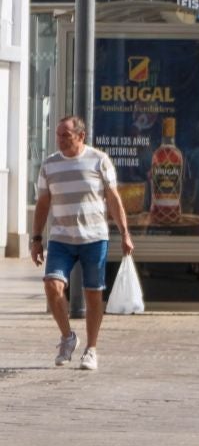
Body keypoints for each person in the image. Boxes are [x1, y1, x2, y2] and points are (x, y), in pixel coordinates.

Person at [29, 116, 133, 371]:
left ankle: (92, 349)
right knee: (52, 287)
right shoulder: (50, 165)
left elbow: (113, 198)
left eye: (66, 135)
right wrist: (36, 238)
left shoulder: (99, 160)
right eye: (58, 135)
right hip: (61, 238)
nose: (61, 140)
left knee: (93, 294)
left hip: (94, 238)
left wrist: (125, 233)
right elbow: (43, 204)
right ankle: (67, 337)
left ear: (81, 136)